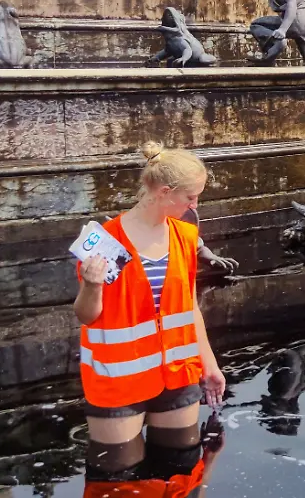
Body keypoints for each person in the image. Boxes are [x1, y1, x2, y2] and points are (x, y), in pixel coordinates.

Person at [74, 142, 226, 447]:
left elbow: (190, 308)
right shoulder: (105, 241)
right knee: (119, 480)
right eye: (191, 197)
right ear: (165, 192)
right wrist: (92, 285)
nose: (195, 205)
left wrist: (209, 365)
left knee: (180, 472)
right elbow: (86, 316)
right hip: (118, 382)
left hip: (179, 376)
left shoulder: (185, 236)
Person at [82, 413, 224, 498]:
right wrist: (210, 456)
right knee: (175, 391)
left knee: (117, 404)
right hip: (182, 482)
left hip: (119, 491)